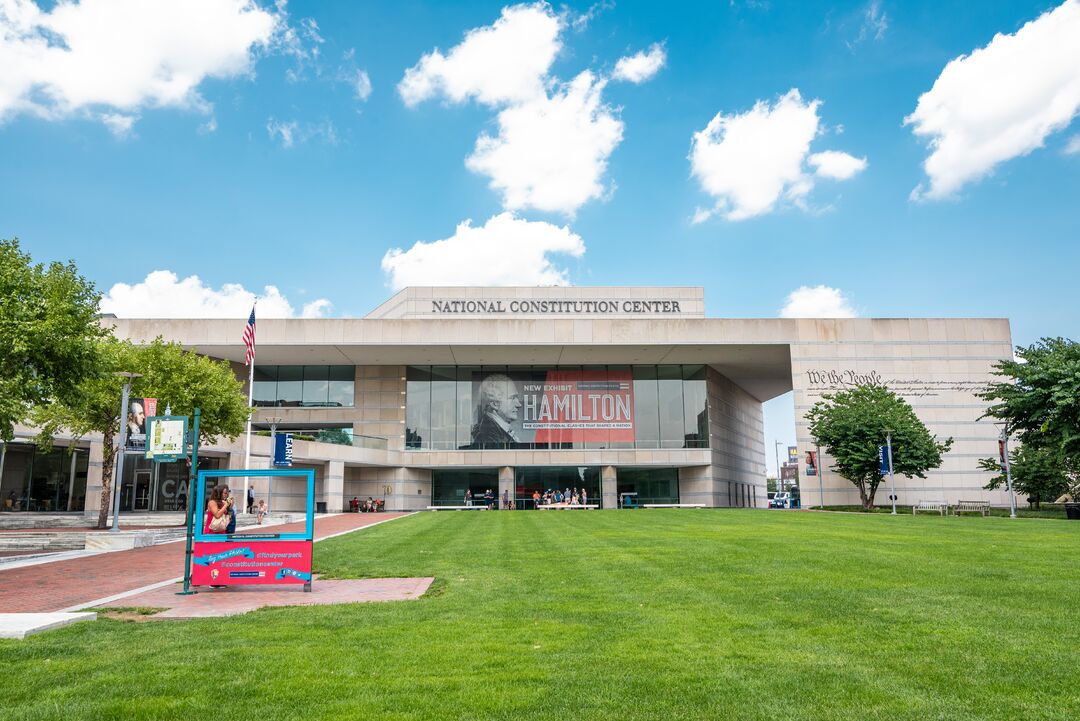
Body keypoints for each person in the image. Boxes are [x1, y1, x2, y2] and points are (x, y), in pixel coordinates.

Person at [471, 374, 522, 447]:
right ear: (494, 404)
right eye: (512, 398)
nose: (519, 404)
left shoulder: (493, 433)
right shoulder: (488, 438)